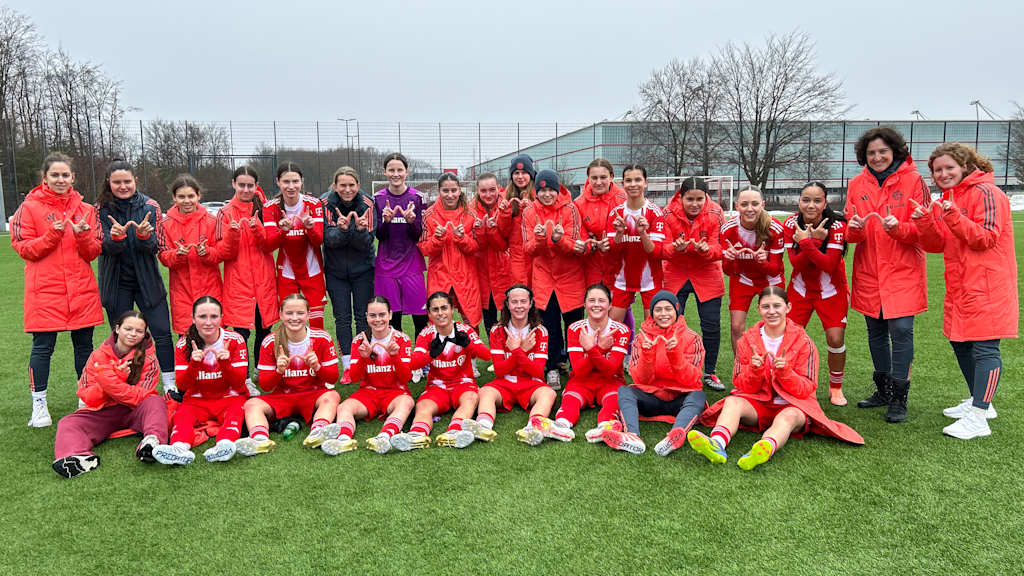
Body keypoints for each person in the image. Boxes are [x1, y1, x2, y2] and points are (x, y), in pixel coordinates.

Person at [688, 287, 863, 470]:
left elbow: (806, 388)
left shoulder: (804, 342)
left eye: (777, 306)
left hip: (794, 404)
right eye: (766, 306)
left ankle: (763, 448)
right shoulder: (747, 340)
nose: (771, 311)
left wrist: (786, 372)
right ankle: (716, 444)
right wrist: (754, 370)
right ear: (758, 309)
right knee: (732, 402)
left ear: (788, 307)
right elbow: (741, 384)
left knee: (787, 417)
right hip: (759, 403)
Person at [913, 142, 1017, 439]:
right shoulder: (951, 198)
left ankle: (980, 416)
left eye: (949, 168)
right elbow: (936, 245)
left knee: (986, 348)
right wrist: (924, 220)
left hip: (987, 285)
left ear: (966, 166)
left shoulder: (988, 193)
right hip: (961, 285)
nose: (942, 174)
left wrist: (953, 216)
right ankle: (978, 401)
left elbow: (985, 238)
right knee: (960, 342)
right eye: (937, 170)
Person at [11, 153, 104, 427]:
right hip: (45, 291)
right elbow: (23, 248)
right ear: (45, 178)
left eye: (65, 175)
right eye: (55, 175)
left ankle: (85, 398)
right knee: (42, 347)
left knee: (84, 346)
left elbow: (93, 252)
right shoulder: (28, 208)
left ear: (73, 178)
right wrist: (53, 234)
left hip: (81, 289)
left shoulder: (86, 209)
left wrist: (83, 234)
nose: (61, 179)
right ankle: (39, 405)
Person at [845, 127, 929, 423]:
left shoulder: (915, 180)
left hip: (902, 271)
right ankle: (882, 391)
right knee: (876, 333)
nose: (877, 157)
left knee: (902, 331)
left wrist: (899, 228)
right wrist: (853, 228)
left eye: (882, 151)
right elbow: (850, 235)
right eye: (871, 153)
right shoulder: (856, 184)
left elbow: (925, 232)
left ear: (895, 150)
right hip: (869, 272)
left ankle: (899, 398)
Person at [51, 311, 169, 478]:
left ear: (144, 335)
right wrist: (116, 378)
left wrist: (109, 381)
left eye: (139, 331)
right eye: (128, 329)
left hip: (134, 410)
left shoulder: (149, 359)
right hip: (104, 409)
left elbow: (140, 396)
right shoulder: (97, 356)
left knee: (155, 401)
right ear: (117, 329)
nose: (133, 334)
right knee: (68, 422)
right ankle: (76, 457)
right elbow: (87, 396)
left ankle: (152, 442)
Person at [96, 160, 176, 394]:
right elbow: (100, 247)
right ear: (108, 183)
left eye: (127, 181)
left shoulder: (151, 206)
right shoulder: (100, 208)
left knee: (161, 331)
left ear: (135, 181)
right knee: (124, 337)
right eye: (117, 182)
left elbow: (156, 248)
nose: (123, 186)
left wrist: (143, 237)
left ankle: (169, 382)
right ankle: (128, 383)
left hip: (147, 281)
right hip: (116, 282)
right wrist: (116, 238)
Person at [602, 291, 706, 456]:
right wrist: (647, 353)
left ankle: (674, 436)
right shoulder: (640, 338)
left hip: (680, 399)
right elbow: (640, 379)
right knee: (624, 391)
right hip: (651, 396)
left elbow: (691, 380)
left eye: (668, 309)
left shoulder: (692, 338)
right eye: (658, 310)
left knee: (699, 395)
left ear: (676, 310)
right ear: (652, 313)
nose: (663, 314)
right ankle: (632, 436)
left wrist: (675, 355)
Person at [237, 294, 341, 456]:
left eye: (300, 313)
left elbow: (333, 378)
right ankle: (260, 440)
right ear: (281, 315)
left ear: (307, 314)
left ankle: (318, 432)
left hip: (313, 395)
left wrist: (317, 367)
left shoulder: (321, 337)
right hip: (282, 397)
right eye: (289, 313)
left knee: (332, 396)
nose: (295, 318)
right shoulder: (270, 341)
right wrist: (278, 371)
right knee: (252, 404)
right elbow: (265, 386)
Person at [152, 297, 249, 464]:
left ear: (221, 317)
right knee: (182, 415)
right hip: (197, 400)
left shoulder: (235, 340)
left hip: (229, 398)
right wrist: (194, 364)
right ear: (193, 319)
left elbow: (240, 383)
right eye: (202, 317)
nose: (209, 322)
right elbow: (182, 386)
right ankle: (179, 450)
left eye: (214, 317)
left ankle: (224, 445)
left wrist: (225, 363)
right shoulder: (184, 343)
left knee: (237, 411)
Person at [473, 284, 574, 446]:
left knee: (549, 394)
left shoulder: (540, 331)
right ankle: (483, 426)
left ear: (530, 303)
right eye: (514, 302)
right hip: (504, 383)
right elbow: (499, 371)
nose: (519, 306)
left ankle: (532, 427)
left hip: (531, 384)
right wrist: (520, 351)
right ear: (507, 304)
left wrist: (517, 351)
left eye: (523, 301)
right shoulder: (497, 331)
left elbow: (538, 372)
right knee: (485, 392)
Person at [391, 292, 491, 450]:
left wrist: (469, 344)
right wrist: (430, 355)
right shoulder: (426, 334)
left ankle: (454, 432)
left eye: (444, 308)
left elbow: (486, 355)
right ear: (429, 313)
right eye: (435, 309)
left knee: (471, 398)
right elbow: (413, 365)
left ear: (452, 309)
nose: (440, 313)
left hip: (463, 384)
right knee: (423, 405)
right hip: (437, 386)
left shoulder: (465, 330)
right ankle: (416, 436)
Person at [782, 182, 850, 406]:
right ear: (799, 201)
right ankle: (789, 384)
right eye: (806, 200)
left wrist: (808, 243)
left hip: (831, 291)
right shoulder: (791, 223)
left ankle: (835, 387)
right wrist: (814, 241)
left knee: (835, 338)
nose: (811, 205)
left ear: (825, 203)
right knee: (789, 339)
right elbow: (797, 264)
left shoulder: (838, 225)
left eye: (817, 200)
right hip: (800, 290)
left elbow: (829, 264)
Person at [321, 297, 415, 455]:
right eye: (373, 315)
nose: (378, 320)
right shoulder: (360, 340)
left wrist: (394, 356)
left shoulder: (401, 339)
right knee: (344, 407)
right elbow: (355, 378)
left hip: (395, 392)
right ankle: (343, 440)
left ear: (390, 315)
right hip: (368, 392)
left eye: (382, 315)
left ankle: (385, 436)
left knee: (407, 402)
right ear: (366, 316)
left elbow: (406, 378)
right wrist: (364, 357)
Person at [521, 169, 585, 389]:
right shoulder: (529, 211)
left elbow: (576, 246)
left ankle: (578, 367)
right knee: (549, 326)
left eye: (551, 190)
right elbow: (529, 249)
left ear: (558, 190)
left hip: (570, 277)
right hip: (544, 279)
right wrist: (541, 239)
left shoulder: (570, 209)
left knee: (574, 325)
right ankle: (553, 368)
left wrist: (559, 240)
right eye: (542, 190)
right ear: (536, 190)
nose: (547, 194)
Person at [216, 166, 277, 396]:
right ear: (233, 184)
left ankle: (263, 370)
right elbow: (222, 253)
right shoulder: (225, 212)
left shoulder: (265, 209)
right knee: (241, 333)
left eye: (250, 185)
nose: (245, 189)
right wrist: (233, 234)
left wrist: (258, 228)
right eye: (241, 185)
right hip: (239, 281)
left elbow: (270, 244)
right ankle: (243, 375)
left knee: (264, 328)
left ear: (256, 185)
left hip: (264, 279)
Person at [661, 177, 726, 391]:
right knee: (670, 324)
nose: (695, 204)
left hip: (706, 272)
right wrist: (674, 249)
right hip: (676, 272)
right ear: (681, 197)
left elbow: (721, 248)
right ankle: (672, 369)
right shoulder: (668, 213)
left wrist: (707, 250)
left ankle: (709, 372)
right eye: (690, 199)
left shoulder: (716, 212)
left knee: (711, 325)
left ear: (706, 197)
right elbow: (662, 248)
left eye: (700, 199)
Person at [373, 153, 428, 380]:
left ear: (407, 172)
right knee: (393, 317)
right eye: (391, 170)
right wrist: (386, 223)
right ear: (385, 172)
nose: (396, 174)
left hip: (411, 263)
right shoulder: (377, 198)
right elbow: (378, 235)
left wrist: (410, 222)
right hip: (386, 265)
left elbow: (419, 235)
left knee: (420, 317)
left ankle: (422, 362)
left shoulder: (417, 197)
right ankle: (400, 360)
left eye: (400, 170)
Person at [553, 283, 630, 441]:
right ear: (584, 304)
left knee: (614, 401)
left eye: (601, 301)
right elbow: (579, 371)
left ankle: (605, 428)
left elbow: (610, 370)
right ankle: (560, 426)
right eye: (591, 300)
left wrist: (592, 349)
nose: (596, 305)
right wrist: (600, 349)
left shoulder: (621, 330)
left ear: (609, 305)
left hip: (611, 380)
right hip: (582, 380)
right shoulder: (575, 328)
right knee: (570, 401)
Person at [158, 174, 230, 336]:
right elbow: (163, 256)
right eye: (181, 197)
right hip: (182, 291)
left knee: (215, 337)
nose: (187, 201)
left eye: (191, 196)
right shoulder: (165, 224)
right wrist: (177, 254)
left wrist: (207, 253)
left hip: (210, 288)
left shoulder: (212, 221)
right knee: (188, 339)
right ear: (174, 198)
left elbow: (221, 253)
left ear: (199, 195)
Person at [323, 166, 376, 383]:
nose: (347, 189)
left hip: (363, 269)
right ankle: (347, 365)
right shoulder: (324, 203)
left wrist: (360, 230)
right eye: (342, 185)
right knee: (342, 317)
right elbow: (328, 240)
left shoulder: (368, 203)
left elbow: (367, 243)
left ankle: (363, 362)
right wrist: (344, 230)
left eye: (351, 185)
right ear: (335, 186)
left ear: (358, 185)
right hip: (336, 272)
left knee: (363, 316)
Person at [262, 162, 328, 330]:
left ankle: (317, 356)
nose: (291, 187)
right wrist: (282, 231)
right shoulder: (270, 207)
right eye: (286, 182)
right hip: (287, 273)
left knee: (316, 325)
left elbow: (318, 240)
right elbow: (269, 245)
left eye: (295, 182)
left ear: (302, 182)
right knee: (290, 322)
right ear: (278, 182)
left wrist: (310, 228)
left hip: (313, 272)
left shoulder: (313, 204)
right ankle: (291, 356)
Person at [721, 185, 785, 353]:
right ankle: (740, 368)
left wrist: (762, 262)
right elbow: (727, 271)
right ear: (736, 206)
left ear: (762, 205)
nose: (750, 209)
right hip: (743, 278)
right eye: (744, 204)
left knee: (775, 323)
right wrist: (730, 259)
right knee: (736, 326)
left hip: (770, 280)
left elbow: (775, 270)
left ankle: (775, 366)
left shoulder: (775, 228)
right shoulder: (727, 230)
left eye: (755, 204)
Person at [418, 173, 482, 329]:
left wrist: (462, 238)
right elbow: (425, 250)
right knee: (439, 322)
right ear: (439, 191)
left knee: (470, 323)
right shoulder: (429, 215)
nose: (450, 195)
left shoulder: (470, 213)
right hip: (440, 276)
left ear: (460, 190)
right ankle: (443, 353)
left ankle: (469, 353)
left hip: (466, 276)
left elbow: (475, 248)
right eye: (445, 191)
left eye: (454, 190)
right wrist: (437, 239)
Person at [606, 164, 666, 322]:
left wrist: (642, 233)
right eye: (628, 180)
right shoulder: (616, 213)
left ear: (646, 182)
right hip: (621, 280)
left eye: (638, 180)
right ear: (622, 184)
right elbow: (612, 252)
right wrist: (619, 233)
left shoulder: (655, 212)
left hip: (651, 280)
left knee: (653, 329)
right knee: (611, 329)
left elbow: (655, 252)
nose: (633, 184)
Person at [471, 172, 513, 334]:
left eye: (492, 189)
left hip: (504, 270)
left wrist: (491, 230)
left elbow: (503, 245)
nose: (488, 195)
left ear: (498, 188)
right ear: (477, 191)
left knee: (509, 316)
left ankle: (510, 353)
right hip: (482, 271)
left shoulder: (506, 206)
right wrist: (482, 231)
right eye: (483, 191)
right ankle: (496, 355)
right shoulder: (471, 210)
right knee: (489, 318)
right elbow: (476, 246)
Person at [501, 154, 536, 287]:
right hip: (516, 257)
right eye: (516, 173)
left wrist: (531, 210)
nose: (520, 177)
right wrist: (504, 213)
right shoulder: (506, 197)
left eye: (524, 172)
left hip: (536, 256)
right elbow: (503, 232)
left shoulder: (540, 194)